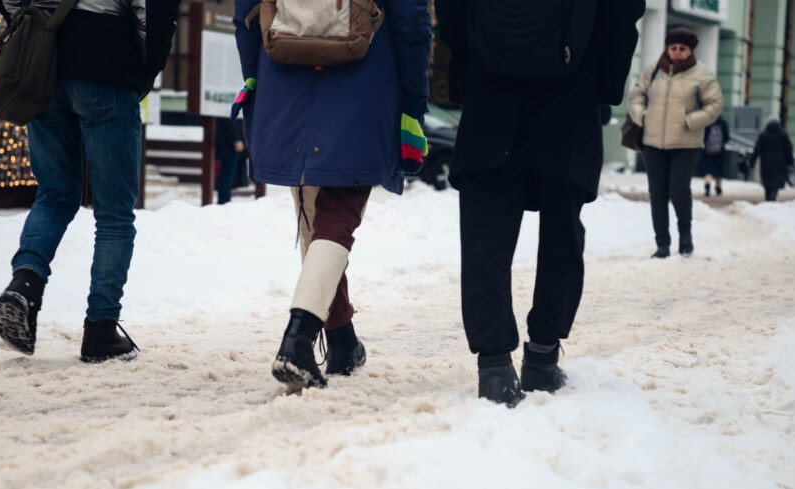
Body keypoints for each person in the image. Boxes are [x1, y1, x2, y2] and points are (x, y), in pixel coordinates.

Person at [433, 0, 644, 407]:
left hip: (490, 91)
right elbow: (622, 13)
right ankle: (543, 358)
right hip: (571, 92)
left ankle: (494, 366)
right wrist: (605, 84)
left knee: (485, 236)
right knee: (562, 232)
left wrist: (466, 65)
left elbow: (451, 12)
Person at [232, 1, 432, 390]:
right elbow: (411, 22)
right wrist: (413, 98)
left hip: (282, 72)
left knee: (313, 210)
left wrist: (256, 76)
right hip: (363, 78)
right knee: (338, 211)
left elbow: (246, 15)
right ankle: (299, 340)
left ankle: (341, 338)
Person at [0, 0, 179, 362]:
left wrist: (37, 29)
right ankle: (101, 331)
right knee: (114, 212)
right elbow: (153, 8)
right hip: (108, 61)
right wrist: (144, 68)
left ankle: (25, 283)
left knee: (54, 193)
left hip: (44, 64)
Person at [628, 27, 724, 259]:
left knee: (679, 191)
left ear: (690, 50)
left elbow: (715, 104)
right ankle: (662, 244)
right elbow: (636, 95)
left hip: (686, 145)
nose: (677, 52)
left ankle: (685, 237)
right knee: (657, 194)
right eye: (673, 48)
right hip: (653, 143)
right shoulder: (654, 71)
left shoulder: (702, 75)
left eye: (683, 48)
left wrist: (691, 120)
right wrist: (642, 116)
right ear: (667, 49)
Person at [750, 116, 795, 202]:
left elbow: (757, 149)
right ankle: (773, 195)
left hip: (766, 163)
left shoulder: (763, 135)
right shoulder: (783, 135)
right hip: (780, 163)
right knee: (776, 182)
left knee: (767, 182)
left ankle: (768, 197)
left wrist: (752, 162)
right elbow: (789, 149)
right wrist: (790, 163)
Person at [215, 117, 246, 205]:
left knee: (228, 171)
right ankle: (224, 200)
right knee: (227, 172)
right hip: (229, 142)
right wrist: (236, 139)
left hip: (227, 139)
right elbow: (229, 121)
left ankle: (224, 199)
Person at [701, 115, 730, 196]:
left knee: (708, 169)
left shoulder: (708, 122)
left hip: (708, 151)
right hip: (720, 151)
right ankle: (718, 187)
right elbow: (727, 137)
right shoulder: (723, 123)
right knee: (719, 170)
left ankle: (707, 184)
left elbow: (703, 137)